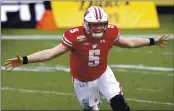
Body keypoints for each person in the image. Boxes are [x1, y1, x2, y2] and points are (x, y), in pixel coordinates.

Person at [4, 6, 169, 111]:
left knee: (118, 102)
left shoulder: (111, 32)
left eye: (101, 24)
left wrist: (152, 41)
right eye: (94, 24)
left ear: (106, 24)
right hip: (82, 79)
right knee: (90, 109)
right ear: (86, 24)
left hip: (103, 73)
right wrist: (25, 59)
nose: (98, 27)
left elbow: (130, 42)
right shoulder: (74, 36)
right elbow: (51, 53)